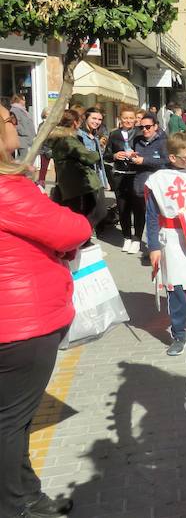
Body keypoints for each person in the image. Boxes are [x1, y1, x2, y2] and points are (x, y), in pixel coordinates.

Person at [0, 102, 91, 518]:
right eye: (9, 120)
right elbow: (73, 228)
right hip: (21, 323)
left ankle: (26, 496)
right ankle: (20, 504)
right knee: (12, 422)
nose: (16, 126)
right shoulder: (6, 187)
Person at [145, 132, 186, 356]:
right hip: (173, 238)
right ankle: (178, 333)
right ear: (172, 158)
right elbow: (152, 216)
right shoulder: (159, 180)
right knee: (176, 288)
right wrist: (153, 246)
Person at [46, 109, 105, 234]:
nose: (97, 122)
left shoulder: (59, 138)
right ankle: (81, 239)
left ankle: (81, 241)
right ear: (75, 123)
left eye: (99, 119)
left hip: (70, 183)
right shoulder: (69, 139)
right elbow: (90, 157)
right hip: (82, 183)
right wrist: (96, 152)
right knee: (97, 211)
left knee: (80, 213)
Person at [105, 108, 143, 253]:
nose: (128, 120)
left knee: (139, 208)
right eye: (125, 118)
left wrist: (137, 156)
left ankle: (137, 238)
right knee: (123, 208)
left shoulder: (140, 134)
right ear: (120, 118)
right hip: (120, 175)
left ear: (135, 119)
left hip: (136, 175)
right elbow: (106, 155)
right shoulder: (114, 134)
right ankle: (126, 237)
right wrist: (115, 156)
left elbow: (145, 152)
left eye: (131, 118)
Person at [131, 113, 168, 254]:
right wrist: (131, 158)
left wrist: (144, 160)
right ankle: (139, 241)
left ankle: (155, 247)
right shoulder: (138, 140)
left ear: (156, 126)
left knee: (155, 218)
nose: (145, 130)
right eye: (142, 127)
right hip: (140, 184)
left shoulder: (164, 142)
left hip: (157, 187)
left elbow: (167, 161)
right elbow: (136, 159)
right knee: (141, 215)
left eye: (148, 127)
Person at [9, 94, 35, 161]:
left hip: (28, 138)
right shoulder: (14, 110)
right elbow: (14, 124)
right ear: (19, 100)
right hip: (22, 139)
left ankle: (21, 170)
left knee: (27, 158)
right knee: (23, 158)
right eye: (23, 99)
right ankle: (16, 170)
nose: (25, 101)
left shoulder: (23, 110)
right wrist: (24, 132)